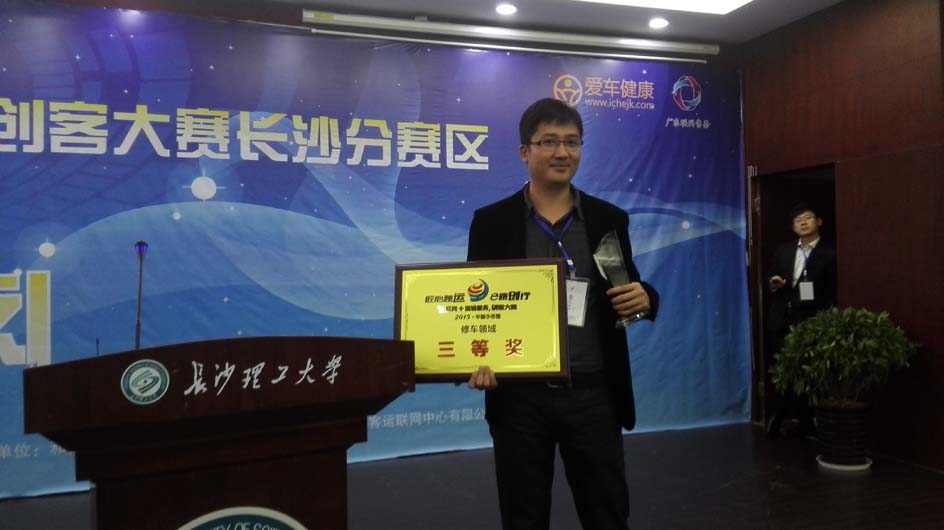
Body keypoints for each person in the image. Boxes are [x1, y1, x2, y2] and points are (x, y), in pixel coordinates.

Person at [465, 97, 659, 530]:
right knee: (523, 517)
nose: (562, 152)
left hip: (593, 394)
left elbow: (628, 283)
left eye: (572, 142)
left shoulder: (608, 218)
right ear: (525, 151)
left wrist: (646, 297)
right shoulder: (492, 222)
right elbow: (475, 305)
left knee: (607, 514)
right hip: (519, 398)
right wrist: (475, 357)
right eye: (549, 141)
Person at [766, 203, 837, 436]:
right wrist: (774, 283)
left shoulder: (830, 253)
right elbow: (770, 277)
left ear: (819, 221)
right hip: (783, 318)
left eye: (808, 218)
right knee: (782, 367)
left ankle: (808, 420)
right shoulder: (784, 250)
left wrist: (824, 317)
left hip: (811, 319)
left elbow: (832, 290)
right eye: (798, 220)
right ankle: (781, 415)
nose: (803, 222)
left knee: (809, 370)